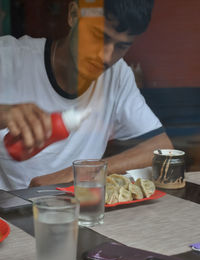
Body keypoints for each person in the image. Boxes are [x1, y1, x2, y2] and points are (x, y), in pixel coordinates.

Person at [0, 0, 173, 190]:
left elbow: (162, 148)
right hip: (9, 214)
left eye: (121, 46)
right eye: (99, 36)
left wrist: (78, 173)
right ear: (73, 14)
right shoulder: (8, 59)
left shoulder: (117, 74)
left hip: (84, 211)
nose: (106, 57)